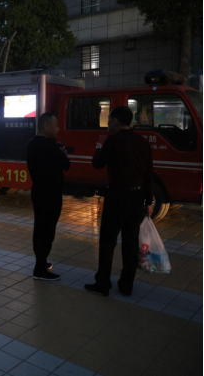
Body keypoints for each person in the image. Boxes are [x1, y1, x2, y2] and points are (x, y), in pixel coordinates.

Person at [85, 106, 153, 297]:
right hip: (137, 199)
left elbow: (97, 163)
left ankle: (103, 283)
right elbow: (149, 174)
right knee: (130, 243)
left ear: (115, 120)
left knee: (108, 241)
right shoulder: (143, 143)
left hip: (116, 197)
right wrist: (149, 201)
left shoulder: (112, 141)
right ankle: (126, 285)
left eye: (109, 119)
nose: (108, 123)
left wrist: (98, 149)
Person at [26, 113, 70, 281]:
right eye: (55, 125)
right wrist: (63, 153)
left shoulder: (31, 144)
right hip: (51, 194)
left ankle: (41, 262)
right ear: (46, 126)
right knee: (47, 230)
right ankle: (40, 269)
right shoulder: (50, 146)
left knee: (40, 228)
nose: (58, 129)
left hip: (38, 191)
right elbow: (66, 165)